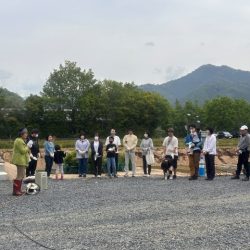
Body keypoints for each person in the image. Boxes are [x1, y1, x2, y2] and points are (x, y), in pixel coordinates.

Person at [11, 128, 30, 196]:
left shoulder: (20, 140)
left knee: (21, 175)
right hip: (20, 160)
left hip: (21, 160)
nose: (26, 135)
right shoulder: (19, 140)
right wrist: (28, 146)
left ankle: (18, 190)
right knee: (19, 176)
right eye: (25, 133)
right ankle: (16, 191)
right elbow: (22, 151)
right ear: (21, 134)